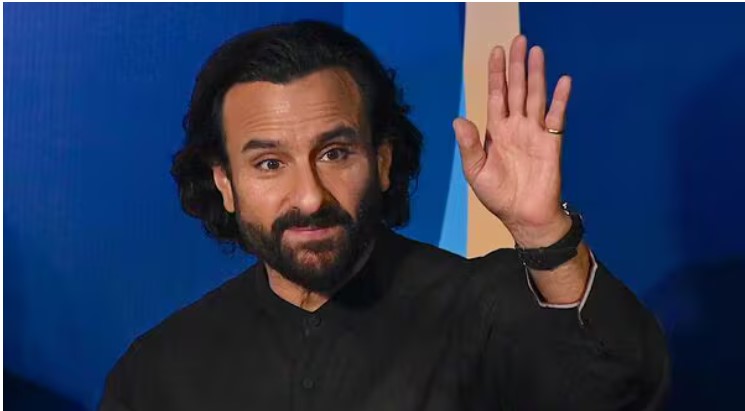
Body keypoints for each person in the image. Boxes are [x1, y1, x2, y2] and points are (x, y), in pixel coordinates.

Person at [99, 20, 668, 411]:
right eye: (270, 163)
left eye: (335, 153)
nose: (309, 196)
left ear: (384, 160)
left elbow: (624, 392)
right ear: (225, 183)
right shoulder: (159, 373)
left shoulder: (486, 311)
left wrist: (544, 233)